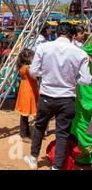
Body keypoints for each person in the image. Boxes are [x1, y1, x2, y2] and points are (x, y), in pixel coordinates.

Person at [24, 23, 92, 170]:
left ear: (56, 33)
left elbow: (34, 72)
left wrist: (47, 74)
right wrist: (74, 79)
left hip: (47, 97)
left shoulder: (43, 47)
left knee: (40, 127)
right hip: (67, 99)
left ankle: (33, 158)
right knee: (62, 134)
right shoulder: (80, 53)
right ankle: (57, 166)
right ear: (73, 36)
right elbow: (86, 80)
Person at [71, 40, 92, 165]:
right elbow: (82, 52)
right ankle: (82, 155)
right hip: (87, 89)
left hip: (86, 89)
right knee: (82, 122)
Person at [15, 48, 40, 143]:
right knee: (25, 113)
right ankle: (24, 134)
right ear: (27, 58)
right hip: (28, 89)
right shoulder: (27, 67)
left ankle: (26, 133)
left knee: (25, 113)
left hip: (27, 88)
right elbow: (34, 75)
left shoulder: (23, 66)